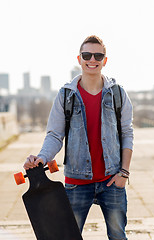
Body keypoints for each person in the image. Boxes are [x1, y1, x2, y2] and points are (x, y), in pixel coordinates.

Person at [24, 35, 133, 240]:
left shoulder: (118, 94)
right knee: (67, 237)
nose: (92, 59)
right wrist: (42, 157)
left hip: (112, 180)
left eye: (98, 55)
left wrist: (124, 173)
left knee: (118, 236)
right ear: (79, 58)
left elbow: (127, 133)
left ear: (105, 60)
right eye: (87, 55)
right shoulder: (66, 95)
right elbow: (55, 135)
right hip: (76, 183)